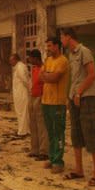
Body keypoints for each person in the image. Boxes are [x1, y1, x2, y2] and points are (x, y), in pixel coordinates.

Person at [61, 27, 95, 186]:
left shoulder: (84, 51)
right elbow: (75, 77)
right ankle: (79, 170)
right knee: (76, 133)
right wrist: (70, 96)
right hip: (75, 98)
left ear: (69, 37)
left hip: (87, 98)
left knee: (90, 132)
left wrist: (78, 92)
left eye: (62, 37)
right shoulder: (70, 55)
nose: (62, 41)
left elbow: (92, 74)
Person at [40, 37, 69, 174]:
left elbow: (54, 78)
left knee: (58, 133)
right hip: (46, 101)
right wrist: (47, 76)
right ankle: (52, 158)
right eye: (47, 46)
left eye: (50, 46)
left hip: (58, 103)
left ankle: (58, 161)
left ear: (57, 46)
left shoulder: (62, 61)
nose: (48, 49)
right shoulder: (48, 60)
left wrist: (47, 76)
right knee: (50, 133)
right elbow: (41, 76)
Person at [28, 49, 48, 160]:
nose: (29, 60)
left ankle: (44, 151)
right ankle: (34, 149)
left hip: (40, 97)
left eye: (30, 58)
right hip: (32, 96)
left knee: (41, 126)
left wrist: (43, 97)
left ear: (35, 58)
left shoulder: (43, 68)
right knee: (33, 125)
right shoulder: (34, 68)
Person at [10, 54, 30, 137]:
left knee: (23, 113)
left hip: (22, 93)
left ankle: (22, 132)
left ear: (15, 60)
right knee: (21, 113)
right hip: (19, 93)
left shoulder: (20, 67)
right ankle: (23, 130)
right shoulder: (18, 67)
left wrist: (29, 89)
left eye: (11, 60)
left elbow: (25, 80)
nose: (10, 62)